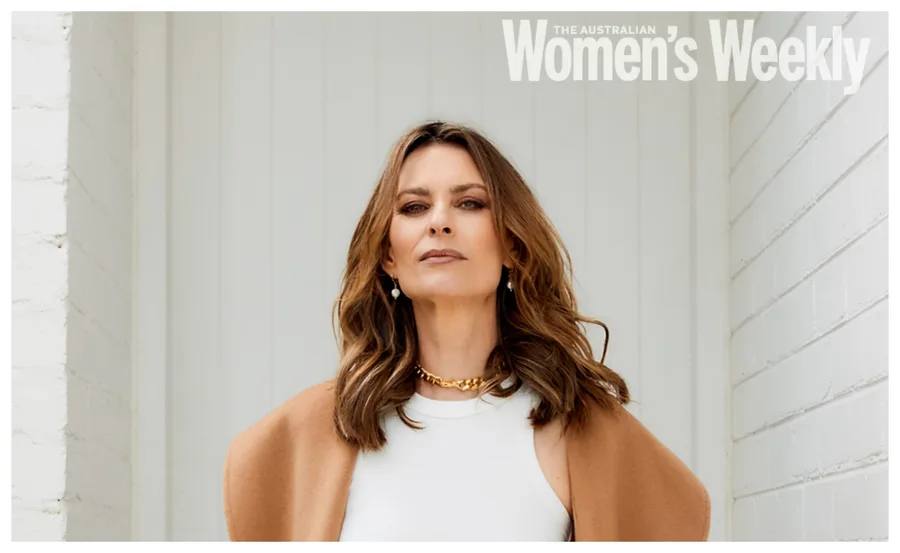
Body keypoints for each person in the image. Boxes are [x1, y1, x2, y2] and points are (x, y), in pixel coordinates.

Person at [222, 121, 710, 542]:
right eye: (414, 207)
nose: (439, 222)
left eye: (470, 203)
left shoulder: (579, 425)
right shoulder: (308, 433)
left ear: (512, 245)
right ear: (388, 255)